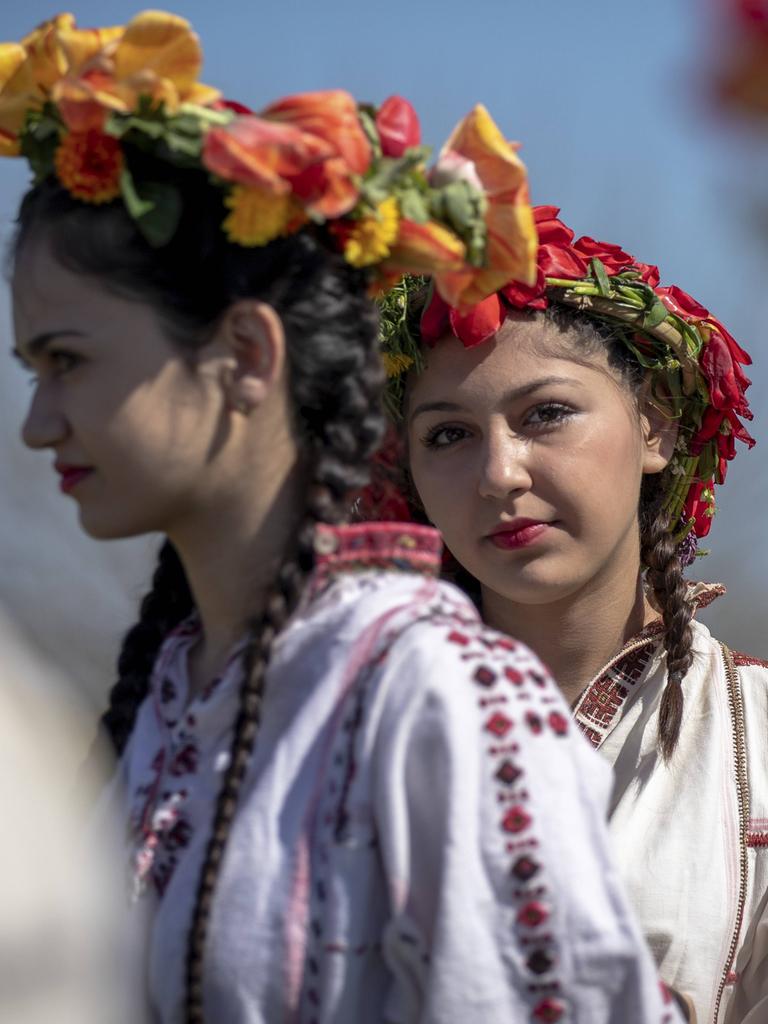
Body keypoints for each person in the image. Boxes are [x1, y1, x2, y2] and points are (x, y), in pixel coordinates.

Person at [3, 13, 684, 1023]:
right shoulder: (175, 692)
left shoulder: (443, 692)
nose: (35, 423)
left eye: (70, 361)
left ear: (244, 353)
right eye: (32, 371)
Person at [376, 204, 768, 1023]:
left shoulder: (760, 738)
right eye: (447, 435)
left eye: (544, 414)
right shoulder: (347, 732)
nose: (499, 474)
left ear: (654, 425)